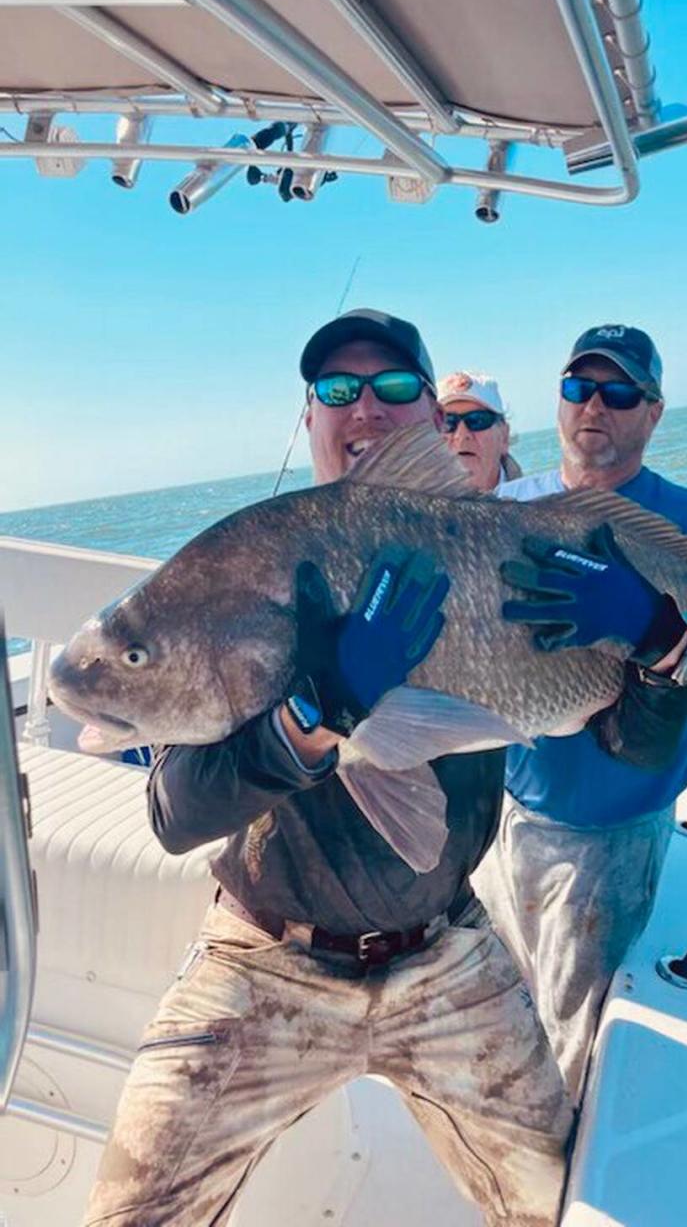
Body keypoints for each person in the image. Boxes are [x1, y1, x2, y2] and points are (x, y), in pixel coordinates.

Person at [84, 309, 572, 1227]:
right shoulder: (238, 577)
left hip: (445, 945)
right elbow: (175, 814)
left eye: (394, 389)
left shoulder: (507, 556)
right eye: (337, 391)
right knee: (128, 1212)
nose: (366, 408)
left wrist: (664, 648)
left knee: (560, 1197)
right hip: (264, 955)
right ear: (309, 416)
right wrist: (313, 716)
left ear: (433, 415)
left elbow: (621, 725)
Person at [477, 323, 687, 1101]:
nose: (594, 404)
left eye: (619, 391)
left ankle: (560, 1162)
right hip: (511, 806)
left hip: (614, 827)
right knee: (505, 991)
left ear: (654, 412)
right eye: (579, 387)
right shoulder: (510, 507)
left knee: (572, 1023)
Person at [438, 370, 522, 492]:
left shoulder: (537, 501)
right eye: (448, 422)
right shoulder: (410, 509)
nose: (461, 435)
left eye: (477, 420)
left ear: (504, 436)